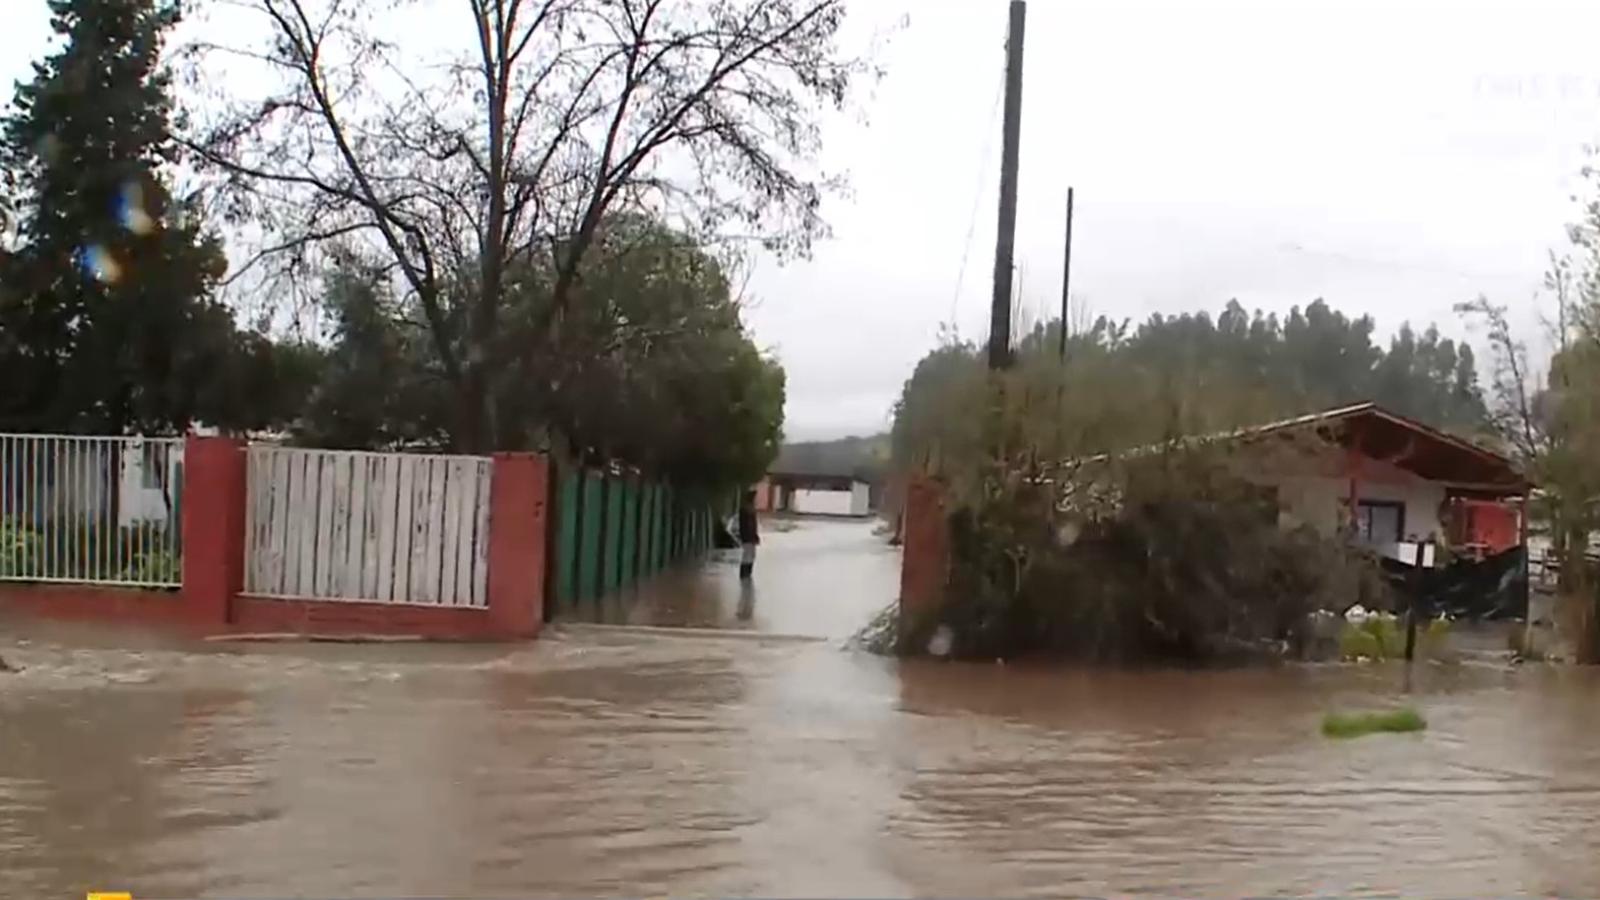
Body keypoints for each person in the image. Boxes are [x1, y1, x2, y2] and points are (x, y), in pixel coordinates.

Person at [737, 490, 760, 581]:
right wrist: (751, 535)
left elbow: (753, 525)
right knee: (748, 554)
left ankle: (747, 573)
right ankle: (745, 573)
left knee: (751, 554)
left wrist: (755, 535)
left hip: (749, 536)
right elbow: (748, 525)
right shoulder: (746, 509)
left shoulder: (749, 509)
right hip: (747, 536)